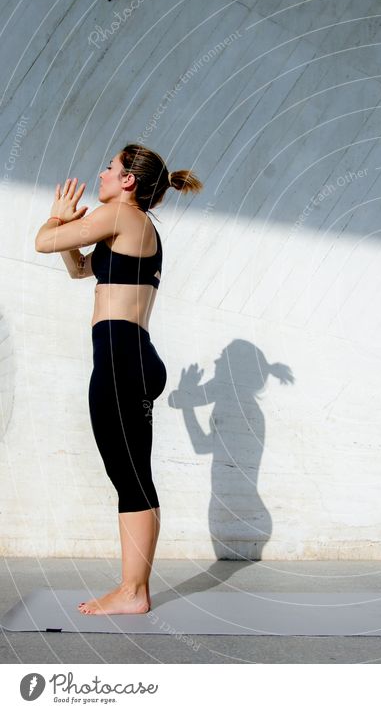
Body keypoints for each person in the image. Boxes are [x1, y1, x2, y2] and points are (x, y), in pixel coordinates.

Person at [34, 143, 203, 615]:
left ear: (128, 181)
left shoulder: (123, 216)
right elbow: (79, 268)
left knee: (130, 476)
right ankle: (133, 588)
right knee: (128, 473)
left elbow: (42, 242)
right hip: (129, 356)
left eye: (109, 169)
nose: (102, 175)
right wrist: (70, 233)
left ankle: (133, 592)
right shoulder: (130, 227)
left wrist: (56, 219)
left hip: (119, 359)